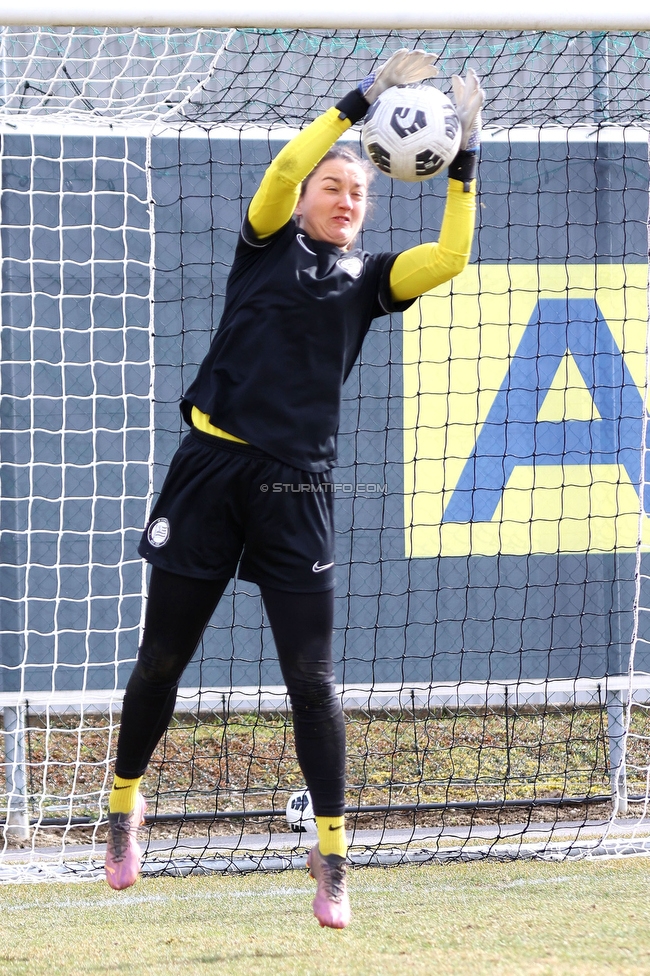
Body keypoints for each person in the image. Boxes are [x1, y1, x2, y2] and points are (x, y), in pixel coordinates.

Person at [104, 50, 484, 929]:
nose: (345, 200)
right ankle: (123, 804)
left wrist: (463, 162)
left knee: (311, 679)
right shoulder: (266, 239)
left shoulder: (371, 282)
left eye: (358, 194)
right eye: (333, 189)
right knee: (162, 659)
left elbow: (452, 258)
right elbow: (284, 164)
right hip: (209, 470)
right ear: (307, 199)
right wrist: (360, 102)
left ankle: (334, 853)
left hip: (294, 489)